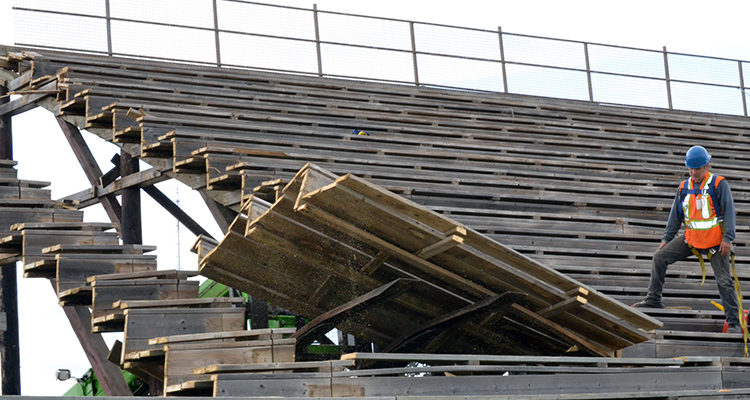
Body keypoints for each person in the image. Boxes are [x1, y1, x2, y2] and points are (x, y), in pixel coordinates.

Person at [632, 145, 742, 334]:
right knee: (659, 257)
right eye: (690, 168)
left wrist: (728, 238)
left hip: (715, 242)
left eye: (697, 168)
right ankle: (654, 299)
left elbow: (729, 211)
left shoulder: (718, 184)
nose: (693, 172)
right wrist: (667, 238)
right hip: (691, 239)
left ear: (706, 166)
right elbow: (675, 216)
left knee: (724, 281)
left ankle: (733, 322)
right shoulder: (684, 187)